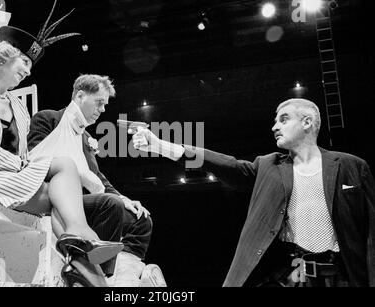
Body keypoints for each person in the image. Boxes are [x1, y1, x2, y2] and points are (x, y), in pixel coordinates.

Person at [0, 6, 123, 287]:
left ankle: (81, 257)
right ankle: (83, 256)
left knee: (60, 185)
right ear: (4, 55)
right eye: (25, 63)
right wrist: (22, 166)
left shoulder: (18, 106)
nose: (28, 73)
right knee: (61, 176)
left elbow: (23, 155)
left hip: (6, 179)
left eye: (31, 66)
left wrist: (25, 165)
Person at [132, 98, 375, 287]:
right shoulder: (269, 166)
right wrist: (160, 146)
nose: (274, 126)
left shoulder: (351, 166)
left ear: (307, 122)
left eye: (283, 119)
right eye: (275, 121)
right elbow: (225, 165)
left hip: (346, 275)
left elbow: (371, 231)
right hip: (294, 274)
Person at [27, 74, 166, 287]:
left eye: (105, 105)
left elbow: (97, 177)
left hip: (86, 203)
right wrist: (114, 199)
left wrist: (124, 197)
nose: (102, 110)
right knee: (109, 204)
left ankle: (124, 277)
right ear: (80, 95)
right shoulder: (48, 118)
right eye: (99, 102)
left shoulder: (85, 137)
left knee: (141, 221)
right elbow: (36, 161)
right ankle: (97, 275)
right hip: (57, 197)